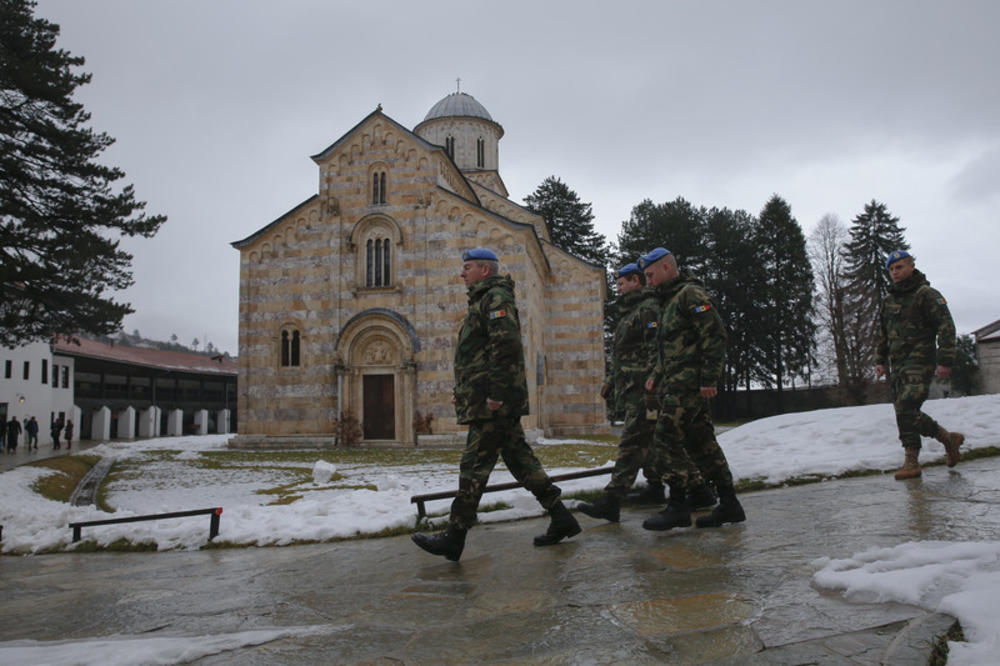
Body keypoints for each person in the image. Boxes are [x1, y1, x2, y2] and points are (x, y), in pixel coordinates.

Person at [412, 248, 581, 561]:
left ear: (484, 271)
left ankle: (455, 534)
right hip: (488, 399)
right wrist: (463, 392)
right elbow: (477, 355)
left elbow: (505, 348)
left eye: (467, 268)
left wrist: (497, 395)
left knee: (474, 464)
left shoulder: (495, 299)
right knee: (520, 460)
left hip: (494, 404)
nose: (462, 273)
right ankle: (561, 517)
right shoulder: (483, 300)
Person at [578, 262, 714, 523]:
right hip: (634, 389)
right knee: (652, 443)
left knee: (632, 442)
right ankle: (697, 489)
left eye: (621, 283)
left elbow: (657, 349)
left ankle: (611, 500)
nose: (618, 289)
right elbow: (625, 356)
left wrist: (654, 383)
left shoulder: (648, 309)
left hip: (647, 392)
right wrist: (611, 380)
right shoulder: (632, 312)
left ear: (636, 281)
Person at [639, 247, 745, 530]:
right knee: (702, 445)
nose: (647, 281)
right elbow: (670, 349)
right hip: (675, 384)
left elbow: (715, 335)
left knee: (664, 440)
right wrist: (656, 375)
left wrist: (709, 378)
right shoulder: (666, 302)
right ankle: (730, 504)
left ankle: (678, 505)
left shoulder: (689, 295)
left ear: (666, 268)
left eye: (650, 275)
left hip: (689, 386)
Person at [875, 250, 963, 480]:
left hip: (920, 361)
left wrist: (945, 360)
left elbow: (946, 326)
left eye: (900, 267)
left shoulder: (927, 294)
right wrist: (880, 360)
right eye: (892, 269)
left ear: (911, 267)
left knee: (906, 406)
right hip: (898, 365)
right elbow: (884, 333)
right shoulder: (888, 300)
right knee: (906, 411)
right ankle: (948, 439)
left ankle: (911, 461)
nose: (895, 272)